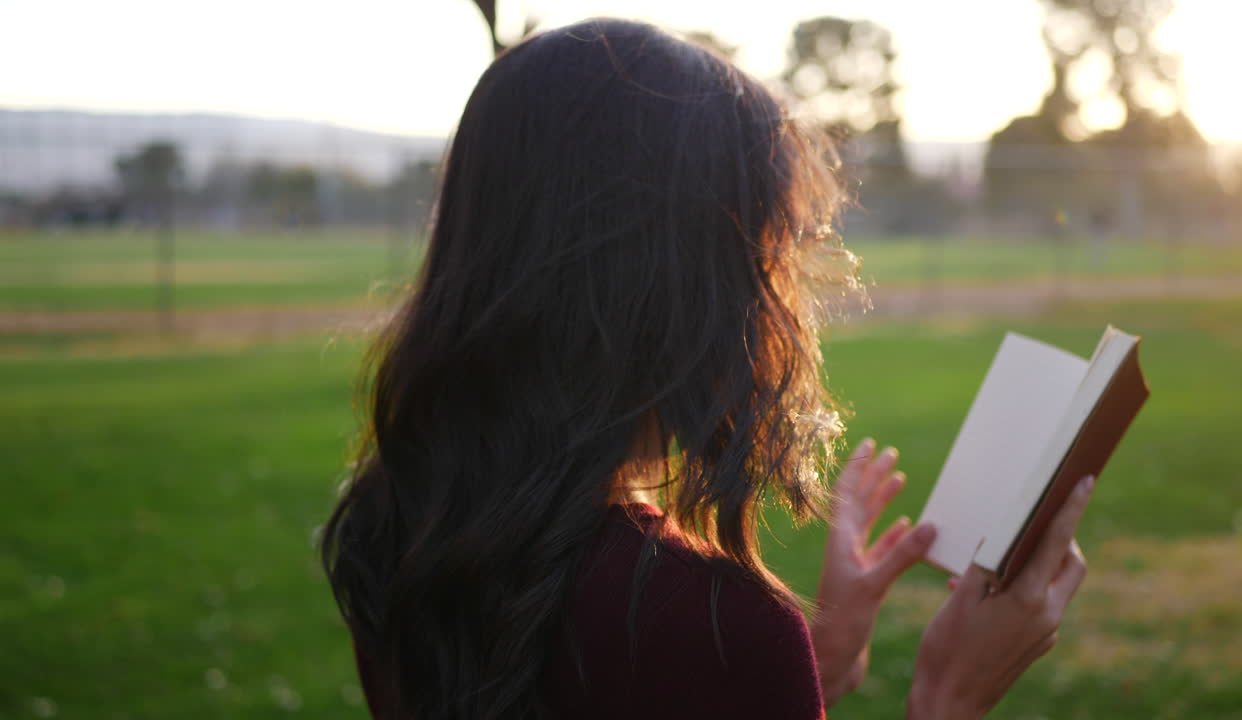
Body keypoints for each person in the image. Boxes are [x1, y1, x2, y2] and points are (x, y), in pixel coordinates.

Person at [321, 18, 1091, 720]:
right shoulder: (712, 627)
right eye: (767, 255)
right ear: (685, 290)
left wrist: (817, 667)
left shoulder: (396, 525)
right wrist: (949, 695)